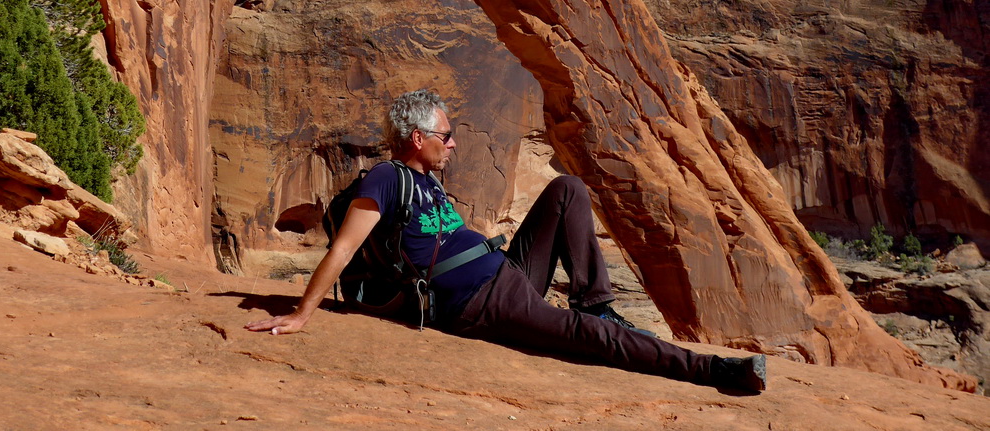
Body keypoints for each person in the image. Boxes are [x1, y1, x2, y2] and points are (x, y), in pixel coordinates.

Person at [245, 89, 767, 393]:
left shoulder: (428, 180)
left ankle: (598, 303)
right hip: (478, 302)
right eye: (444, 135)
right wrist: (300, 314)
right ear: (416, 139)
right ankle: (716, 372)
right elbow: (342, 249)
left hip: (505, 272)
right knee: (590, 339)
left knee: (567, 188)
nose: (452, 143)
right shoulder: (387, 177)